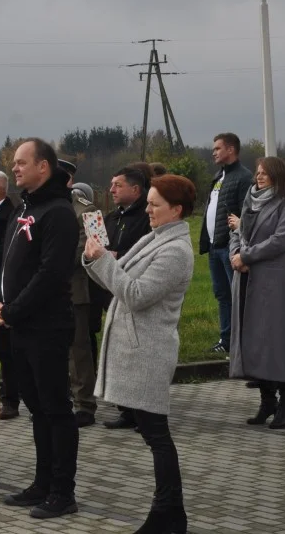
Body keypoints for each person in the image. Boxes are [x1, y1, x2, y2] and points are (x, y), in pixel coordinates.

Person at [83, 174, 197, 534]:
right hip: (135, 348)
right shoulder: (156, 236)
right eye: (147, 202)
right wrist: (98, 259)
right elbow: (118, 280)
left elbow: (134, 294)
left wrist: (104, 261)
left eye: (154, 204)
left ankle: (168, 512)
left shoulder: (176, 250)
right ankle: (169, 513)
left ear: (176, 210)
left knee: (156, 434)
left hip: (148, 351)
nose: (147, 209)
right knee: (153, 433)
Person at [0, 138, 80, 520]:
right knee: (36, 410)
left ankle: (63, 490)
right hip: (19, 326)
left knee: (56, 409)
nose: (15, 168)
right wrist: (0, 300)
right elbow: (7, 263)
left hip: (46, 326)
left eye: (21, 162)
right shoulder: (23, 209)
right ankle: (41, 482)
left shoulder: (59, 212)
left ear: (43, 166)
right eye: (13, 163)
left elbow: (51, 273)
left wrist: (14, 309)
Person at [229, 157, 285, 429]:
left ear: (277, 174)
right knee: (254, 340)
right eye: (258, 173)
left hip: (276, 282)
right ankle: (267, 401)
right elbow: (239, 233)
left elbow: (281, 240)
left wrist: (247, 256)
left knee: (278, 342)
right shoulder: (251, 200)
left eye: (264, 173)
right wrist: (235, 254)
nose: (259, 177)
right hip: (248, 280)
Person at [102, 166, 154, 430]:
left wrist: (118, 254)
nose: (111, 190)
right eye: (111, 185)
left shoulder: (146, 218)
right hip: (110, 291)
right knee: (117, 352)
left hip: (135, 289)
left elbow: (147, 252)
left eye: (117, 185)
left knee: (137, 353)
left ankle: (143, 411)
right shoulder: (111, 218)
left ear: (136, 190)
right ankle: (125, 410)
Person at [200, 133, 255, 355]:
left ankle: (242, 340)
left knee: (237, 295)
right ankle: (226, 338)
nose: (213, 152)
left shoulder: (243, 177)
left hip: (230, 246)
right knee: (222, 294)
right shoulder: (218, 176)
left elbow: (247, 213)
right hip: (215, 246)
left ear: (231, 149)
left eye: (217, 148)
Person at [57, 160, 100, 428]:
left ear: (68, 180)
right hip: (47, 292)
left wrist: (51, 266)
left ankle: (84, 403)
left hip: (74, 287)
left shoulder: (89, 210)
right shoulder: (38, 207)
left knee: (79, 349)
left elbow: (96, 246)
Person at [0, 169, 20, 420]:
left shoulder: (10, 214)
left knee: (6, 351)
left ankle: (11, 399)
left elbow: (5, 251)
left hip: (1, 288)